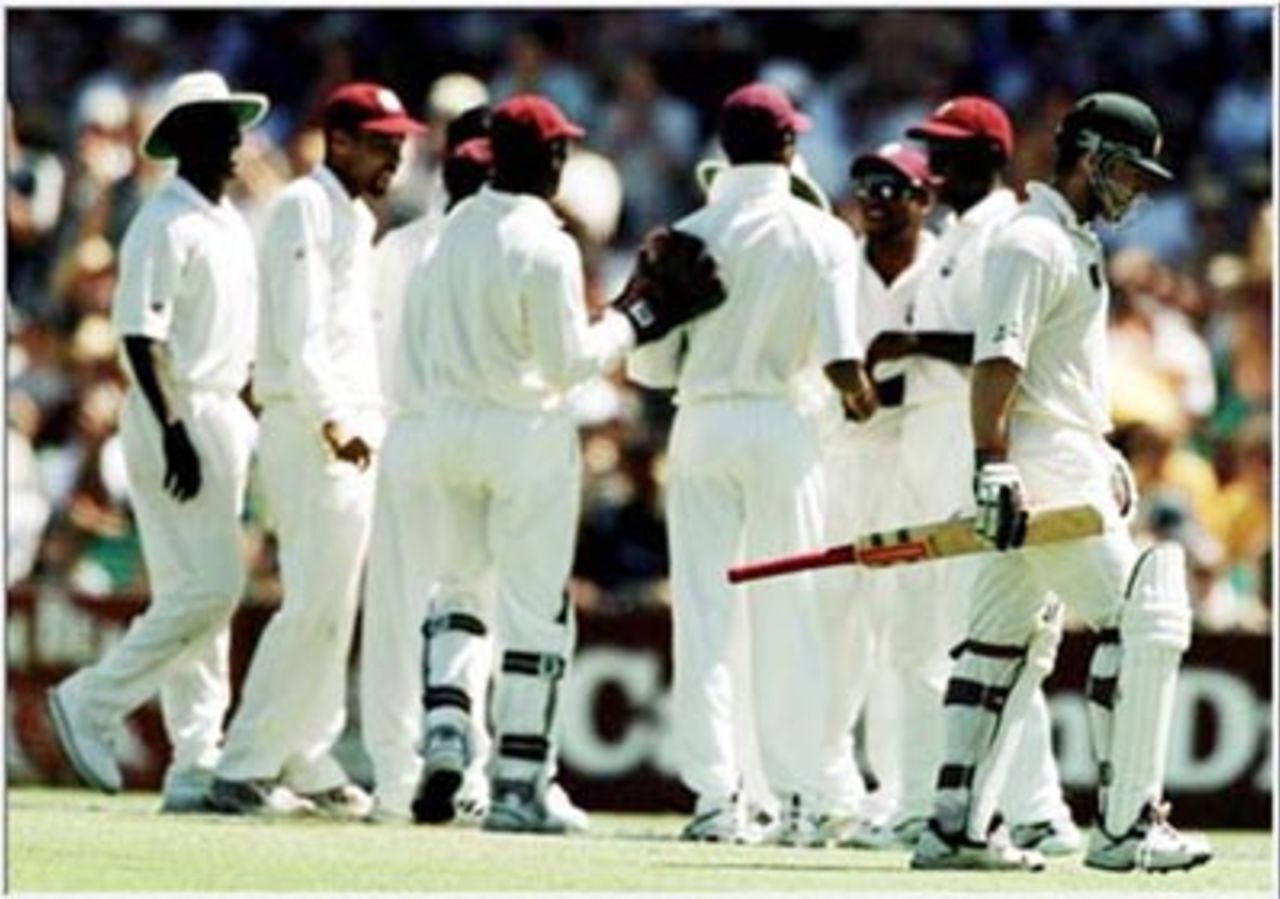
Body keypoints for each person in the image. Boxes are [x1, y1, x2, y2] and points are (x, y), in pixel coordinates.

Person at [390, 92, 725, 834]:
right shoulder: (547, 243)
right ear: (545, 159)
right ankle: (517, 781)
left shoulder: (448, 233)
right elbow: (568, 363)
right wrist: (636, 318)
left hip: (444, 425)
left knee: (456, 591)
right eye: (558, 151)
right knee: (536, 608)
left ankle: (447, 733)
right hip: (523, 429)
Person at [910, 92, 1212, 873]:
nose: (1138, 191)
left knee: (1003, 643)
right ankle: (1126, 825)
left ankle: (954, 827)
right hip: (1038, 468)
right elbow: (998, 361)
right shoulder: (1032, 240)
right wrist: (994, 464)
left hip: (1055, 453)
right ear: (1089, 156)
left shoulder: (1065, 238)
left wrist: (1097, 441)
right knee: (1145, 615)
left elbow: (1051, 366)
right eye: (1129, 171)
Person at [627, 82, 875, 846]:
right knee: (789, 611)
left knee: (703, 615)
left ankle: (715, 797)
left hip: (702, 421)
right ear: (791, 148)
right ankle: (799, 795)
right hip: (784, 423)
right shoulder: (822, 233)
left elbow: (650, 370)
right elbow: (840, 361)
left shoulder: (686, 231)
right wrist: (866, 402)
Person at [850, 96, 1079, 853]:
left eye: (950, 149)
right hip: (923, 448)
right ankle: (920, 801)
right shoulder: (952, 236)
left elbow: (996, 351)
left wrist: (909, 341)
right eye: (931, 147)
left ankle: (1039, 811)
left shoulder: (1006, 236)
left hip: (970, 451)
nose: (935, 161)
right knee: (920, 642)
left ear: (993, 155)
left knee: (989, 639)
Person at [46, 71, 267, 812]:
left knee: (194, 596)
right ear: (190, 139)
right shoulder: (162, 220)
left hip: (217, 407)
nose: (239, 141)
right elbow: (141, 334)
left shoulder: (226, 221)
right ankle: (91, 700)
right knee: (213, 587)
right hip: (178, 408)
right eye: (222, 127)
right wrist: (174, 426)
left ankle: (195, 762)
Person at [205, 82, 425, 817]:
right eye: (382, 139)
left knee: (335, 603)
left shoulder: (354, 216)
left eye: (400, 140)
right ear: (339, 141)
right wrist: (337, 420)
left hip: (348, 421)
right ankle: (243, 763)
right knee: (313, 603)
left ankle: (307, 750)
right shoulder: (305, 204)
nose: (397, 152)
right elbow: (301, 333)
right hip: (310, 423)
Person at [361, 120, 494, 825]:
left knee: (398, 611)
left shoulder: (403, 245)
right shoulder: (488, 246)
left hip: (406, 433)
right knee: (474, 607)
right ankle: (468, 767)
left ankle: (393, 777)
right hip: (470, 434)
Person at [811, 142, 936, 843]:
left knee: (904, 635)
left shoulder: (946, 265)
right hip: (839, 459)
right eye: (866, 183)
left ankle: (897, 791)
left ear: (925, 199)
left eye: (894, 185)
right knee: (833, 626)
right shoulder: (835, 261)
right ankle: (826, 789)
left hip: (914, 462)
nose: (876, 196)